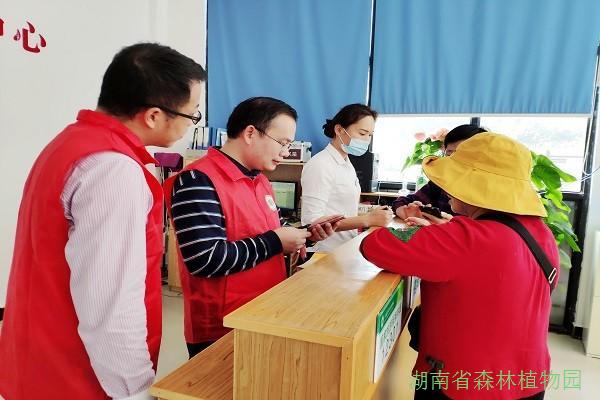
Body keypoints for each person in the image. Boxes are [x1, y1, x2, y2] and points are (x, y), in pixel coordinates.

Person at [0, 43, 206, 400]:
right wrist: (135, 390)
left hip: (36, 361)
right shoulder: (114, 171)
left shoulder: (69, 143)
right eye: (193, 115)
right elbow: (111, 303)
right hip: (77, 377)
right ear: (154, 116)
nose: (192, 124)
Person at [360, 133, 557, 400]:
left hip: (461, 385)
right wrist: (444, 231)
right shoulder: (542, 234)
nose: (446, 188)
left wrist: (430, 234)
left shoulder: (464, 239)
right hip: (527, 380)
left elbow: (375, 244)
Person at [164, 97, 338, 358]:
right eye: (283, 143)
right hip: (222, 327)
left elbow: (268, 233)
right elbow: (205, 259)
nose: (286, 152)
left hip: (263, 312)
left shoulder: (260, 180)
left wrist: (304, 236)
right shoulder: (197, 180)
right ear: (250, 133)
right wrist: (276, 241)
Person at [300, 104, 393, 253]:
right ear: (339, 130)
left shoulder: (346, 162)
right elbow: (312, 222)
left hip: (343, 248)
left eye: (370, 135)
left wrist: (371, 213)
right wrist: (368, 219)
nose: (367, 140)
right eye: (362, 133)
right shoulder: (320, 165)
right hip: (323, 252)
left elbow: (342, 208)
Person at [393, 124, 487, 220]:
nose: (453, 163)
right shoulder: (441, 183)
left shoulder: (489, 192)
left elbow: (486, 227)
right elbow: (401, 202)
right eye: (449, 155)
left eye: (462, 156)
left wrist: (447, 224)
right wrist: (410, 211)